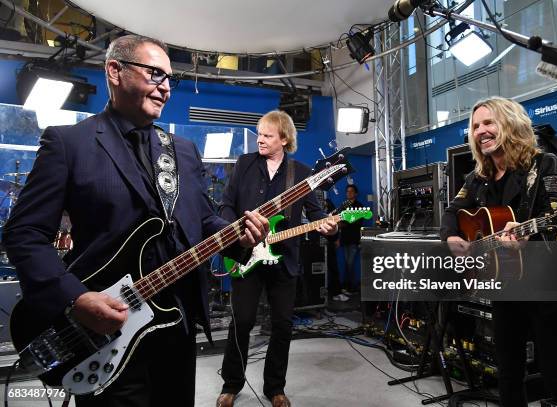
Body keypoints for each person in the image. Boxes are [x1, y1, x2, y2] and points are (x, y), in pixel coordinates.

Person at [2, 35, 268, 407]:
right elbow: (24, 233)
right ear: (115, 71)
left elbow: (202, 219)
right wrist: (74, 298)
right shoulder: (69, 143)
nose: (166, 89)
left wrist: (240, 236)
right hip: (104, 330)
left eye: (170, 80)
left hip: (176, 324)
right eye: (155, 74)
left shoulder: (183, 151)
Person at [440, 96, 557, 407]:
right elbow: (452, 211)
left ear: (510, 124)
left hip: (548, 286)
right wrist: (451, 236)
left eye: (489, 122)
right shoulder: (477, 177)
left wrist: (527, 240)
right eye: (476, 125)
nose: (481, 130)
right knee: (508, 375)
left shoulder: (545, 164)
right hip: (505, 285)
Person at [216, 110, 338, 407]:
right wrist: (234, 236)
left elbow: (316, 213)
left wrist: (328, 225)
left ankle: (275, 388)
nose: (260, 140)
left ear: (284, 139)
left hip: (284, 259)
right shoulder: (245, 164)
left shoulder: (302, 172)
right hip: (245, 257)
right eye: (259, 134)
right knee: (241, 322)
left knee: (283, 325)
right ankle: (231, 383)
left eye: (267, 135)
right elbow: (226, 205)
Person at [334, 184, 364, 300]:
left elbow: (355, 223)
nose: (349, 193)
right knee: (346, 263)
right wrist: (337, 239)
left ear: (356, 193)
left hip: (354, 240)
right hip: (344, 239)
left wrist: (342, 224)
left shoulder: (359, 206)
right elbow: (339, 220)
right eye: (347, 191)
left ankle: (351, 288)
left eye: (351, 191)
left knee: (350, 264)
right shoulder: (343, 206)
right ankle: (346, 288)